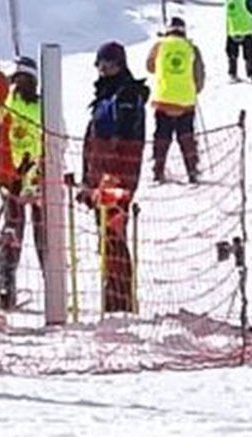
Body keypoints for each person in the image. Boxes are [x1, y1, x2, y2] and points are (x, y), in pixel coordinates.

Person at [81, 42, 148, 314]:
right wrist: (89, 180)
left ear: (120, 65)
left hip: (117, 177)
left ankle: (120, 300)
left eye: (108, 64)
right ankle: (114, 296)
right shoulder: (107, 94)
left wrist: (112, 179)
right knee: (107, 237)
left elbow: (123, 140)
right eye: (100, 64)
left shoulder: (126, 94)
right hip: (101, 175)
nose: (103, 69)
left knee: (114, 236)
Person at [0, 56, 44, 312]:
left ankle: (6, 285)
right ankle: (49, 284)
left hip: (20, 176)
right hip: (29, 176)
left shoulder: (6, 106)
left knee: (15, 230)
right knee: (38, 232)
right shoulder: (41, 107)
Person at [146, 17, 206, 184]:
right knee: (186, 136)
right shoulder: (191, 48)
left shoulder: (159, 46)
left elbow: (149, 67)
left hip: (163, 100)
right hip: (185, 102)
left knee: (162, 136)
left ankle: (158, 170)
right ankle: (192, 171)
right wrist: (195, 90)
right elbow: (199, 75)